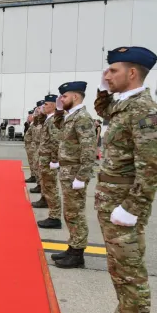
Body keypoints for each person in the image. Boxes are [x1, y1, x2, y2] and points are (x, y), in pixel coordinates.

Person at [83, 47, 157, 313]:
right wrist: (104, 91)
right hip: (112, 202)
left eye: (113, 71)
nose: (107, 74)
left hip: (124, 206)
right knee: (119, 270)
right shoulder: (124, 105)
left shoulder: (144, 111)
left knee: (130, 273)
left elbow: (153, 165)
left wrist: (133, 207)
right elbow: (105, 114)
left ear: (133, 73)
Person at [51, 82, 96, 267]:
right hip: (67, 171)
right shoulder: (72, 116)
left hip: (75, 173)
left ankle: (77, 253)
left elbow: (89, 149)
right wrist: (60, 110)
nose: (61, 99)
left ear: (75, 96)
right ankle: (72, 246)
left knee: (75, 213)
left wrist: (82, 176)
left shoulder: (83, 118)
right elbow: (57, 125)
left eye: (64, 96)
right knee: (70, 212)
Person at [35, 94, 63, 229]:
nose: (43, 107)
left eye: (46, 104)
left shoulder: (53, 121)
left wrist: (54, 160)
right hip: (44, 159)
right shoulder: (49, 119)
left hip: (49, 161)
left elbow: (55, 142)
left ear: (53, 105)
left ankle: (55, 217)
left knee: (51, 187)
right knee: (47, 186)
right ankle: (53, 214)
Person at [30, 100, 46, 201]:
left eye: (40, 107)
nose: (38, 110)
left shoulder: (50, 119)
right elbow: (35, 124)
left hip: (45, 151)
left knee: (46, 178)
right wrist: (36, 114)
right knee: (38, 170)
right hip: (38, 147)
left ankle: (45, 198)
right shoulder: (42, 119)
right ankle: (39, 186)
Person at [24, 110, 37, 183]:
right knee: (31, 162)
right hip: (29, 146)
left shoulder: (34, 124)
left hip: (33, 146)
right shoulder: (31, 124)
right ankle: (33, 175)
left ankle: (34, 176)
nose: (28, 117)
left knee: (33, 162)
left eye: (30, 116)